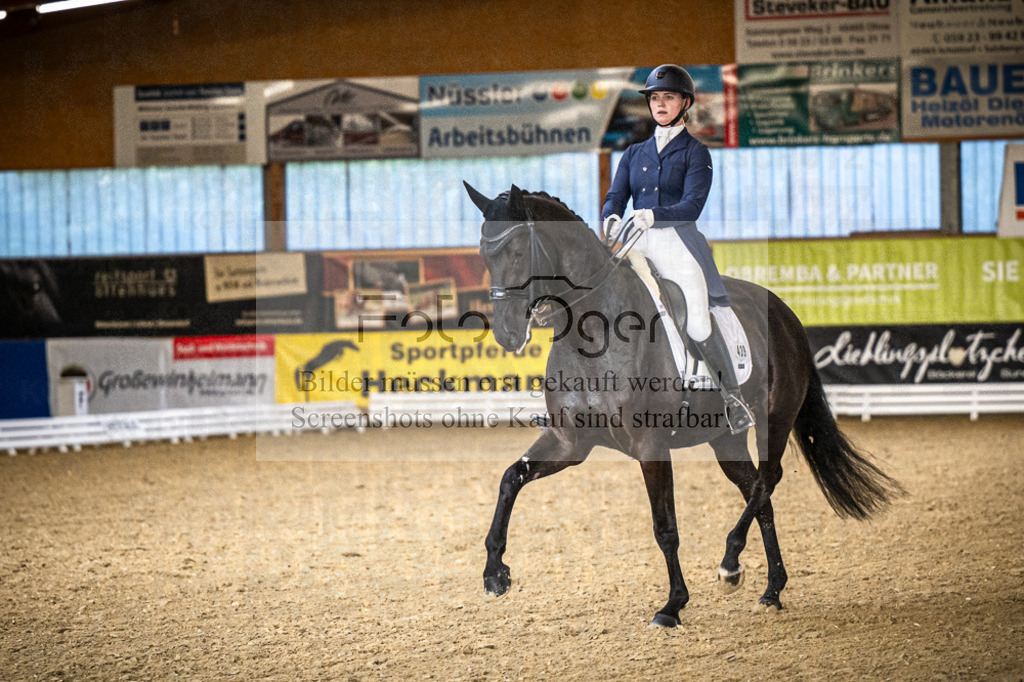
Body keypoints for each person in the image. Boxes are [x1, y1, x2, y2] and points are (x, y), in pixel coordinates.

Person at [601, 64, 755, 433]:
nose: (660, 104)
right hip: (636, 241)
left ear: (685, 103)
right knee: (604, 303)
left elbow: (692, 206)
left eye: (668, 97)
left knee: (699, 321)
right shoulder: (634, 153)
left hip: (677, 242)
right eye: (655, 98)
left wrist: (654, 216)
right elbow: (615, 196)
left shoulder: (696, 153)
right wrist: (608, 218)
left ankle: (732, 398)